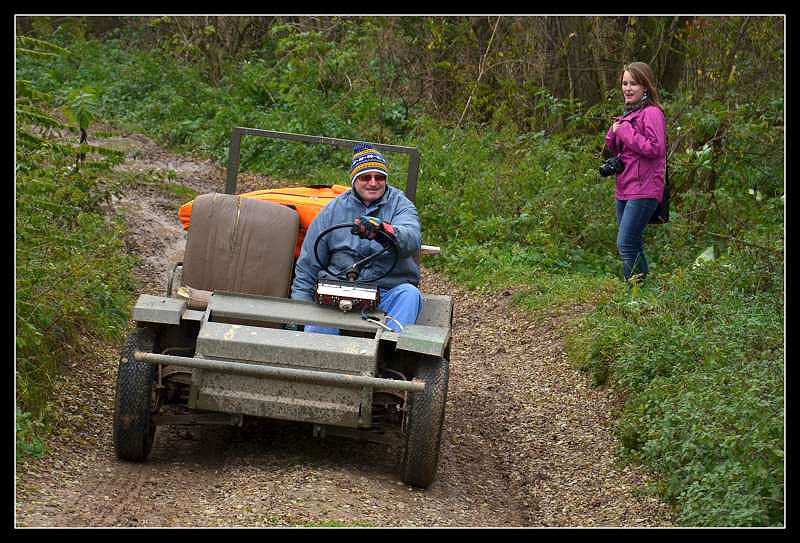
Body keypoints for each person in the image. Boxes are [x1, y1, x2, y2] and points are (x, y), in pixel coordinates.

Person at [291, 143, 422, 334]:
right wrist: (297, 314)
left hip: (385, 291)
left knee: (409, 294)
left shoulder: (401, 205)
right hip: (337, 292)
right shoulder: (331, 211)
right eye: (365, 177)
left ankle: (391, 353)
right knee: (316, 324)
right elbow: (308, 265)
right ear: (354, 180)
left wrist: (382, 230)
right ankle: (318, 356)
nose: (373, 182)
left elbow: (411, 239)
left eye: (379, 177)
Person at [604, 61, 667, 286]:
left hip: (645, 188)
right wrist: (613, 133)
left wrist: (625, 130)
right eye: (624, 83)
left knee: (626, 243)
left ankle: (636, 292)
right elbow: (622, 150)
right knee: (632, 242)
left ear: (645, 87)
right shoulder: (630, 113)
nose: (627, 88)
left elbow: (655, 148)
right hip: (625, 186)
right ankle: (640, 292)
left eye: (634, 84)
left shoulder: (652, 113)